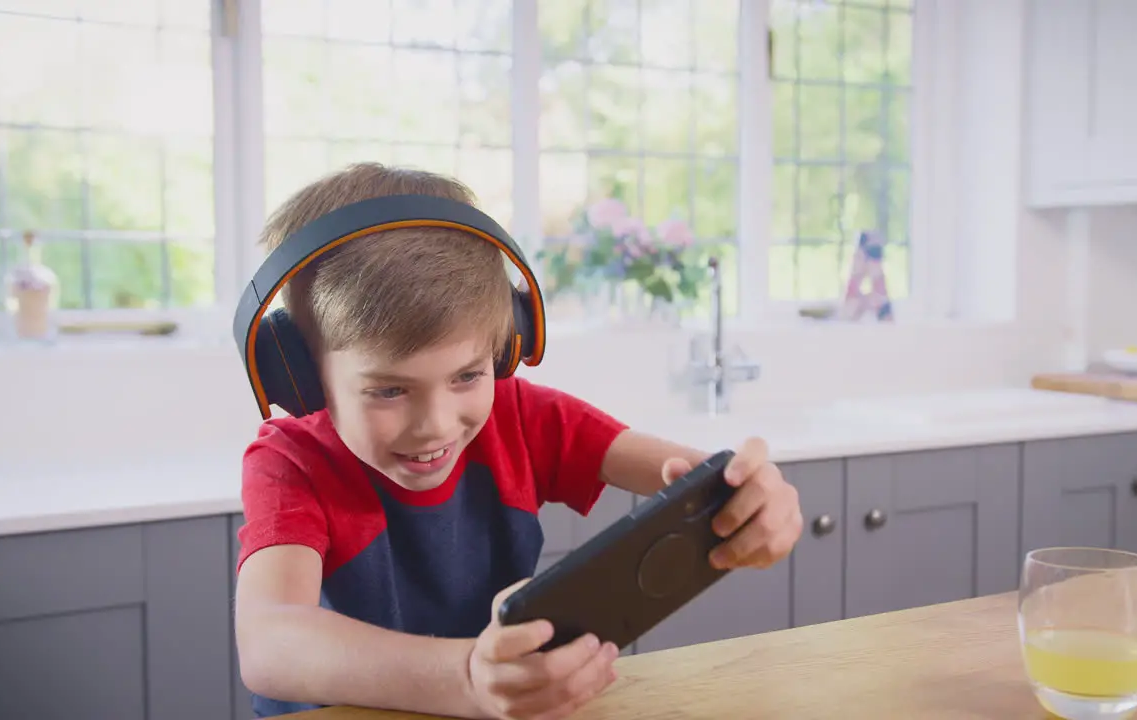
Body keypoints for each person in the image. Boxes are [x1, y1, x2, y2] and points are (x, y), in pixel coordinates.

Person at [234, 163, 804, 720]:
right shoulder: (290, 462)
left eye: (467, 375)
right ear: (303, 379)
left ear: (505, 347)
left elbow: (696, 476)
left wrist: (753, 500)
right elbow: (269, 642)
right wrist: (463, 679)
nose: (436, 424)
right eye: (388, 390)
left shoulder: (519, 415)